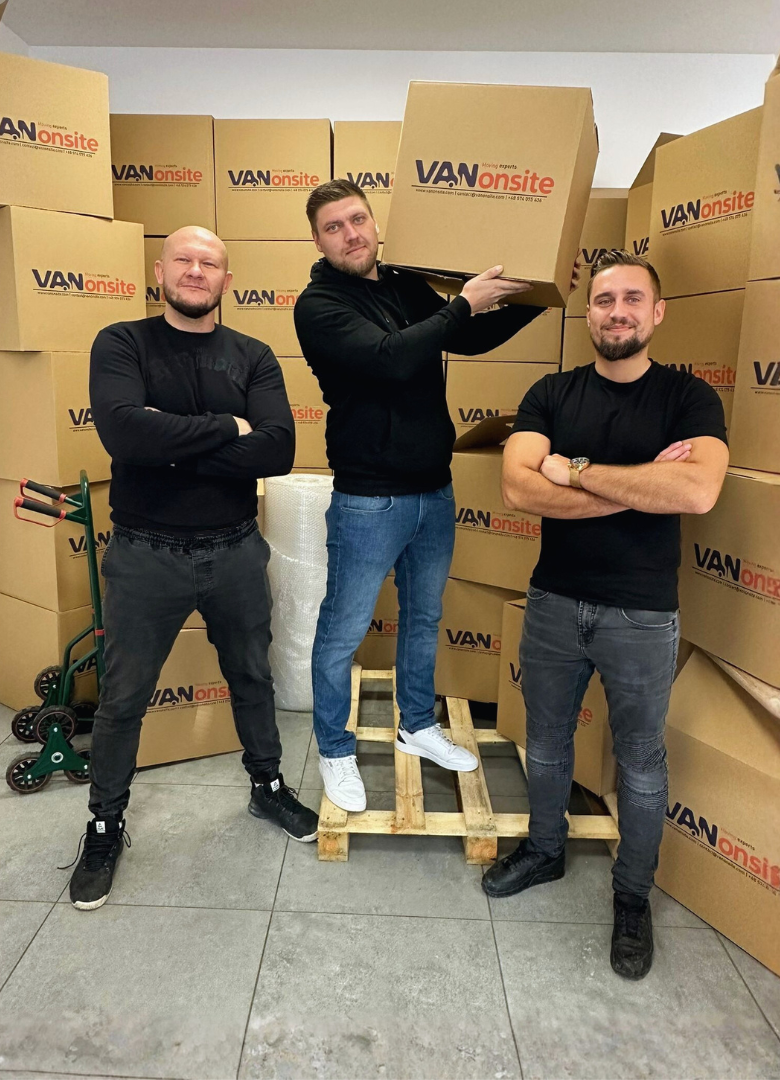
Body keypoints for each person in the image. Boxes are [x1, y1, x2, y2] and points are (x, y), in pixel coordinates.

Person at [482, 249, 729, 979]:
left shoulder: (689, 399)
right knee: (547, 742)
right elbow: (518, 489)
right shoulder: (551, 394)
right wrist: (644, 485)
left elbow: (698, 493)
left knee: (642, 763)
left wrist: (578, 471)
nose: (616, 312)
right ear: (587, 313)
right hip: (554, 602)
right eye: (603, 300)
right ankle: (545, 850)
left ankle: (631, 896)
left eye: (631, 299)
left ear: (657, 313)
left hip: (642, 616)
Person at [67, 226, 319, 912]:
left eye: (210, 263)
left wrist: (168, 440)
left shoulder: (253, 355)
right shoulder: (122, 343)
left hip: (236, 550)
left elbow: (276, 451)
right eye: (184, 259)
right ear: (160, 271)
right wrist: (228, 427)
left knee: (252, 677)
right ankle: (104, 825)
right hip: (145, 554)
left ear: (227, 280)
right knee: (123, 697)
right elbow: (124, 432)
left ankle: (267, 787)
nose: (196, 270)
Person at [293, 178, 552, 812]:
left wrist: (542, 296)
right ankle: (334, 749)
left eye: (357, 219)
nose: (351, 234)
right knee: (343, 630)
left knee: (424, 617)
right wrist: (461, 305)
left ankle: (417, 724)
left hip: (434, 490)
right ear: (318, 241)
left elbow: (465, 338)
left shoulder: (402, 284)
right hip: (369, 500)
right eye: (334, 227)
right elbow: (390, 358)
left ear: (375, 222)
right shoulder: (318, 305)